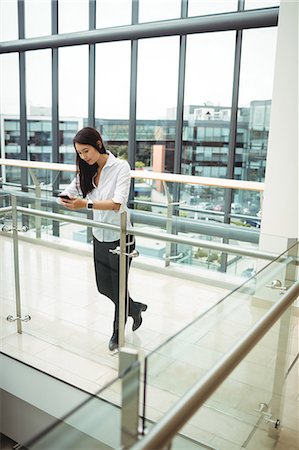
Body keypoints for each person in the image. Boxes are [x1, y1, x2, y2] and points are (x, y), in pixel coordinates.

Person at [58, 126, 147, 351]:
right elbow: (73, 190)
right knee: (103, 287)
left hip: (121, 238)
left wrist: (84, 204)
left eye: (86, 151)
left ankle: (118, 334)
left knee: (118, 288)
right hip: (99, 235)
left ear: (98, 144)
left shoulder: (121, 167)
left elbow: (117, 204)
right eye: (79, 153)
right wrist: (67, 199)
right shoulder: (86, 170)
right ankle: (134, 307)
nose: (83, 157)